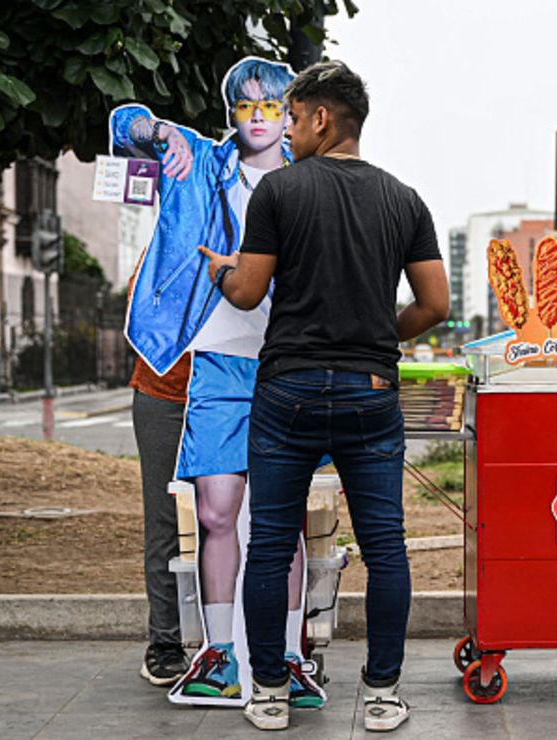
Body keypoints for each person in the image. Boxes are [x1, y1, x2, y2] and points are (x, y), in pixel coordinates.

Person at [200, 60, 448, 732]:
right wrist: (378, 340)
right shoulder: (405, 200)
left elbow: (249, 292)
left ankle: (272, 694)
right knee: (386, 547)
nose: (283, 132)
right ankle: (382, 695)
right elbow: (436, 303)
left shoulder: (279, 192)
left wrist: (222, 269)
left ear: (320, 117)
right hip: (371, 393)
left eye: (292, 117)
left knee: (274, 544)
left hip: (289, 393)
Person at [113, 57, 315, 706]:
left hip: (289, 362)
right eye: (245, 104)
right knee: (214, 512)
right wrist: (153, 130)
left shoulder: (314, 178)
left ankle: (286, 657)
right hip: (218, 362)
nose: (258, 117)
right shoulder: (201, 160)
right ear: (232, 111)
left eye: (271, 105)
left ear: (290, 113)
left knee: (278, 521)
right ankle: (221, 653)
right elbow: (122, 126)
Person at [129, 267, 192, 687]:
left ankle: (237, 638)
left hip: (232, 393)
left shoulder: (253, 239)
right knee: (165, 521)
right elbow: (139, 314)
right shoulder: (161, 252)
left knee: (238, 519)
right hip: (163, 394)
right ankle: (165, 641)